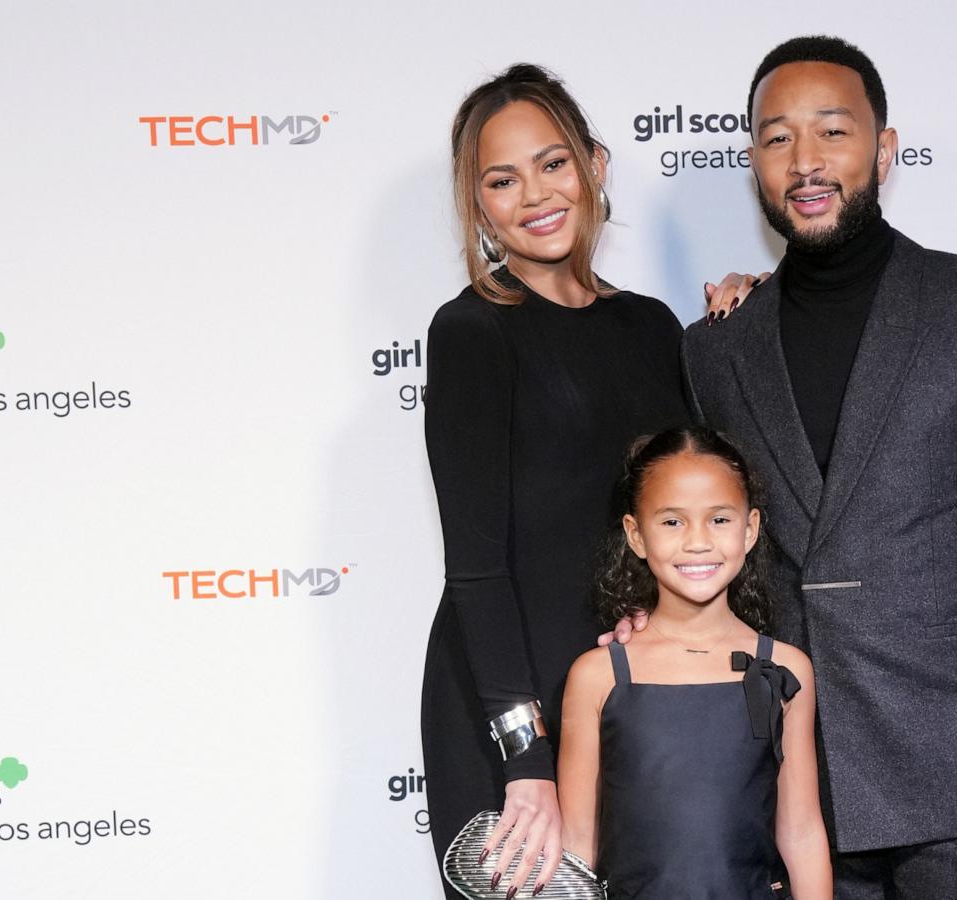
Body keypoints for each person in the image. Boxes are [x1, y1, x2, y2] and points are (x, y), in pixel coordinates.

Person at [675, 36, 957, 898]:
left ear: (885, 148)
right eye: (776, 138)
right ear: (754, 162)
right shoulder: (718, 351)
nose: (805, 162)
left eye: (832, 132)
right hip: (794, 788)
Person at [420, 64, 690, 899]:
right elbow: (474, 566)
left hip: (636, 700)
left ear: (595, 164)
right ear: (477, 205)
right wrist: (524, 759)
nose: (534, 193)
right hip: (512, 710)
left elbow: (689, 515)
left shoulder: (652, 326)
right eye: (501, 179)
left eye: (553, 163)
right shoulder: (471, 331)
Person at [558, 426, 831, 899]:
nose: (698, 542)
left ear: (750, 529)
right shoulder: (596, 675)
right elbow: (577, 849)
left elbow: (802, 832)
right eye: (672, 522)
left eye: (719, 520)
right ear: (635, 535)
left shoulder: (786, 670)